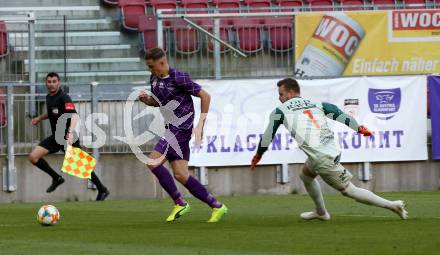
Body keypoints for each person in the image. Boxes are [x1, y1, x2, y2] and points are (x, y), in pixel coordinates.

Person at [250, 78, 408, 220]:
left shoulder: (280, 111)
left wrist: (258, 155)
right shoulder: (316, 104)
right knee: (306, 175)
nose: (280, 98)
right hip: (329, 150)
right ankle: (320, 212)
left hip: (322, 158)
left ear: (290, 93)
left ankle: (393, 205)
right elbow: (338, 113)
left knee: (349, 190)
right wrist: (359, 128)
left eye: (281, 94)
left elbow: (267, 137)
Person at [139, 47, 227, 223]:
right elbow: (158, 102)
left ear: (162, 63)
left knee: (153, 161)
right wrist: (147, 100)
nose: (151, 70)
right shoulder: (154, 78)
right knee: (180, 174)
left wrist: (201, 124)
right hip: (171, 128)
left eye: (152, 66)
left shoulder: (179, 77)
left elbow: (205, 96)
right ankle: (217, 206)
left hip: (181, 128)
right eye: (148, 67)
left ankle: (180, 202)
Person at [29, 72, 110, 201]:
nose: (51, 84)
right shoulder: (49, 97)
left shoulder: (64, 97)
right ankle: (56, 178)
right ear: (46, 83)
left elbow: (74, 115)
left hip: (68, 137)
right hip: (56, 137)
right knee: (33, 157)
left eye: (54, 81)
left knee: (80, 166)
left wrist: (70, 132)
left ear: (59, 83)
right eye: (49, 82)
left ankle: (102, 189)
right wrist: (39, 118)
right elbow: (52, 113)